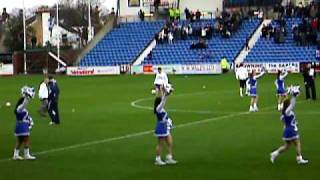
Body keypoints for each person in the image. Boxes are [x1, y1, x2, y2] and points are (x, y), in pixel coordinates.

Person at [270, 86, 308, 164]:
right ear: (288, 105)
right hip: (291, 130)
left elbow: (285, 120)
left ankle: (274, 153)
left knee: (287, 146)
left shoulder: (283, 114)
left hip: (286, 130)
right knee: (297, 143)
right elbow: (293, 104)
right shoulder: (288, 111)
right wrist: (294, 95)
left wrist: (289, 95)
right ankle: (299, 158)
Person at [154, 85, 177, 166]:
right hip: (161, 127)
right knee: (160, 144)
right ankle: (158, 159)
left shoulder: (160, 108)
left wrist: (167, 93)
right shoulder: (158, 108)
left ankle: (169, 157)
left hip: (165, 127)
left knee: (170, 142)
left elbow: (163, 100)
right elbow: (163, 102)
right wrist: (166, 95)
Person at [13, 86, 36, 160]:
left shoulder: (19, 109)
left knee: (20, 141)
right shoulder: (20, 108)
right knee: (26, 140)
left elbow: (24, 105)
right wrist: (27, 96)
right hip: (22, 126)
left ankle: (16, 155)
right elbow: (24, 104)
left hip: (20, 125)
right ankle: (26, 155)